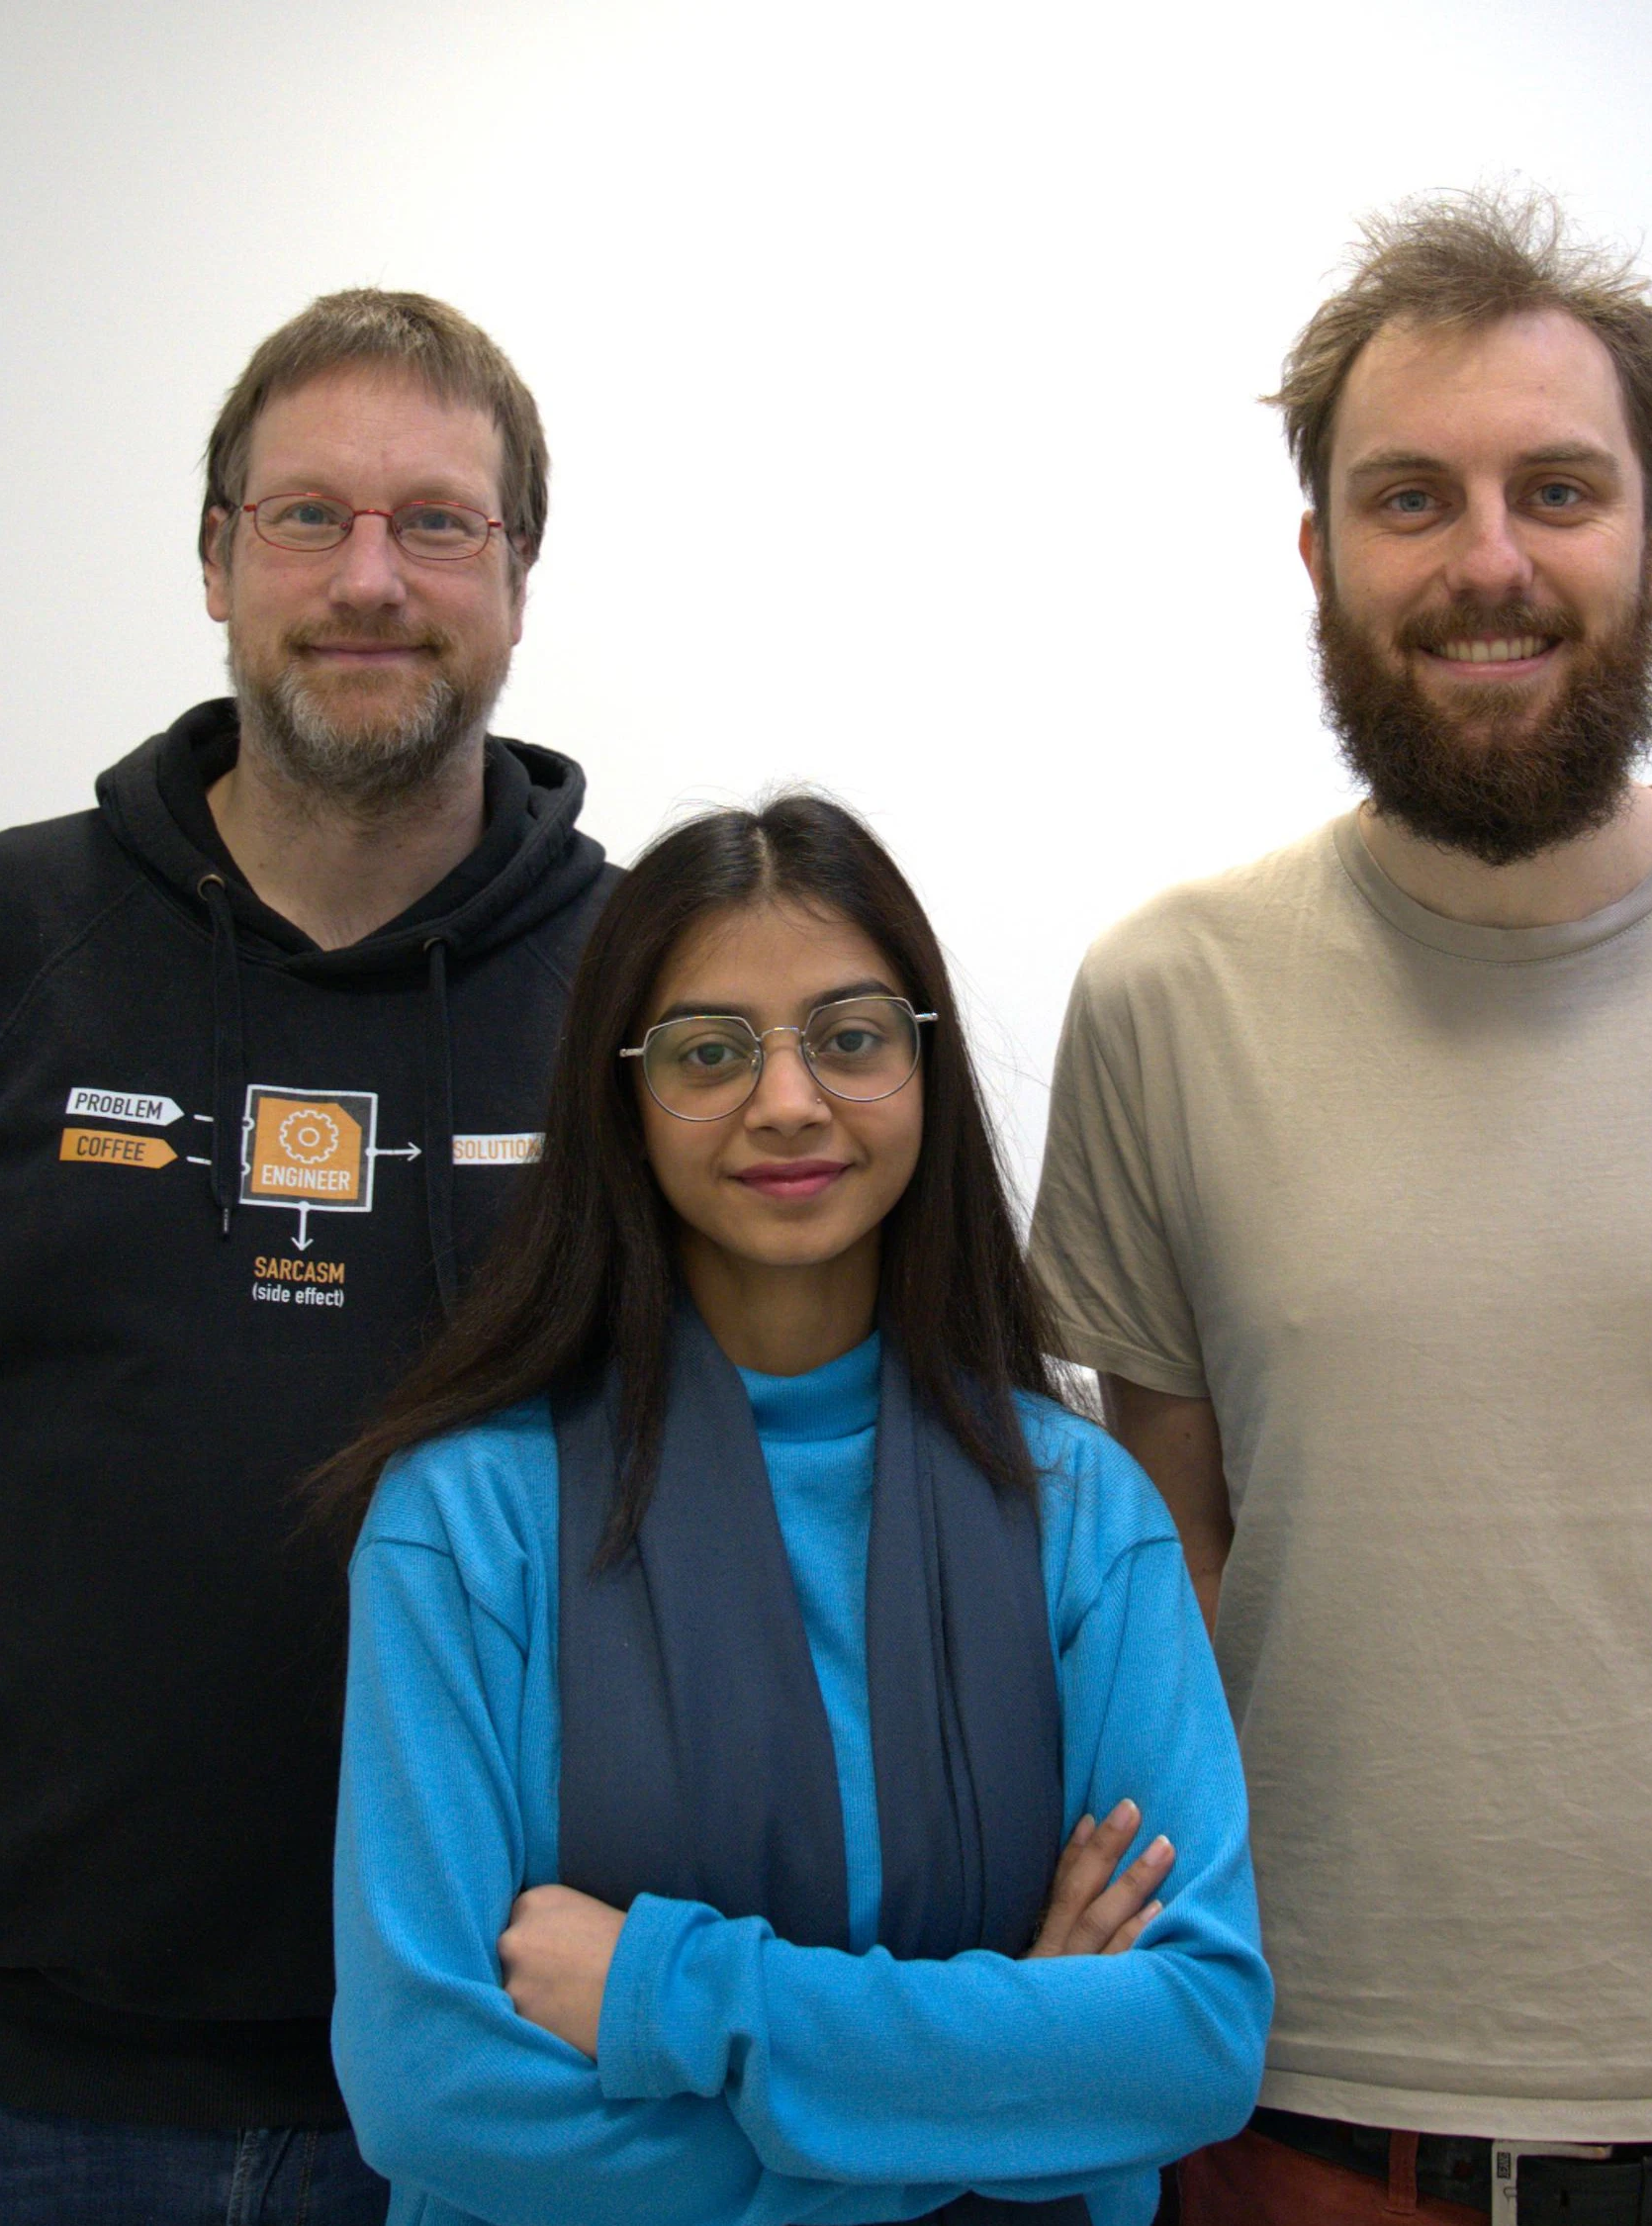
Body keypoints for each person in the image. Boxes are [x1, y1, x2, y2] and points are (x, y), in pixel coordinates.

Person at [1030, 187, 1652, 2226]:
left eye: (1554, 491)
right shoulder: (1163, 998)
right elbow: (1185, 1561)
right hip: (1311, 2091)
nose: (1487, 561)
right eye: (1411, 499)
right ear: (1316, 555)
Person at [0, 290, 612, 2224]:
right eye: (307, 517)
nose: (367, 579)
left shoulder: (646, 992)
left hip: (497, 2086)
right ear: (216, 558)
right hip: (13, 2097)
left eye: (436, 523)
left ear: (519, 576)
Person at [311, 796, 1267, 2225]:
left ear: (925, 1068)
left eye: (851, 1035)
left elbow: (1191, 2040)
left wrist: (668, 1992)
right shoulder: (465, 1525)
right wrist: (997, 2095)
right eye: (708, 1051)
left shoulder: (1083, 1515)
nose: (788, 1100)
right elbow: (429, 2084)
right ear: (621, 1100)